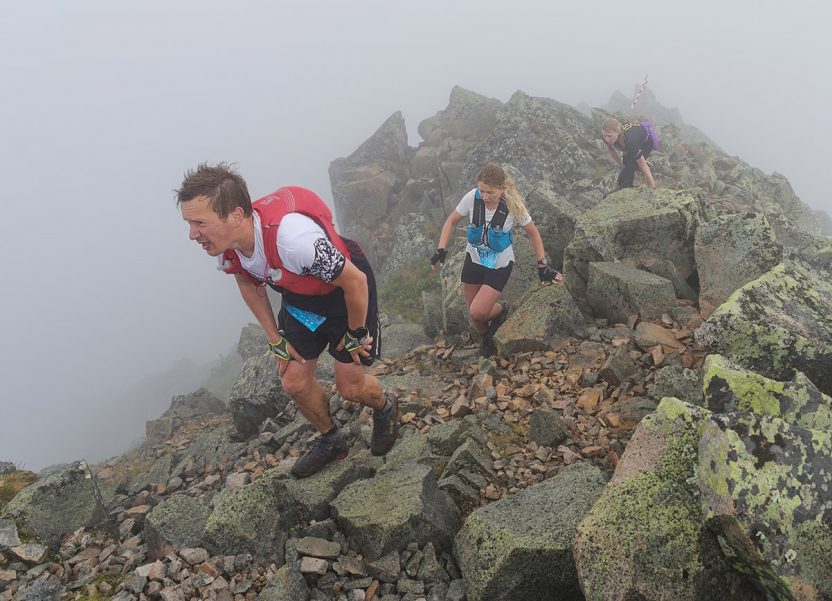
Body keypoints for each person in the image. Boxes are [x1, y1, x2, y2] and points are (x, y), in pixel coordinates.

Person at [176, 163, 399, 478]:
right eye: (189, 224)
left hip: (341, 297)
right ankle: (332, 439)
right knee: (293, 381)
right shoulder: (229, 247)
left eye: (199, 223)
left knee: (350, 388)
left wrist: (354, 335)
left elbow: (356, 282)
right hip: (299, 299)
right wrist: (274, 338)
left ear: (236, 216)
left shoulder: (294, 240)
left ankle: (386, 407)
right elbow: (248, 283)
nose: (192, 235)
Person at [430, 163, 563, 356]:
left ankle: (501, 310)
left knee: (478, 312)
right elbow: (451, 221)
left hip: (498, 265)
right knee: (474, 313)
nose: (485, 196)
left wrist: (542, 265)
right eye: (482, 190)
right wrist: (440, 250)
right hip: (473, 260)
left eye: (490, 192)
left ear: (502, 188)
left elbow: (533, 233)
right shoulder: (472, 198)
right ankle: (487, 339)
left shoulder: (512, 205)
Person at [600, 117, 658, 189]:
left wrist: (652, 186)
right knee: (627, 167)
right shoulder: (606, 135)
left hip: (646, 142)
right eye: (604, 135)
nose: (607, 139)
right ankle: (629, 187)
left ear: (618, 132)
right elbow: (611, 150)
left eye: (609, 136)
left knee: (623, 178)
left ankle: (641, 158)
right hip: (632, 143)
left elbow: (643, 165)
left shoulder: (629, 142)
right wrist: (621, 165)